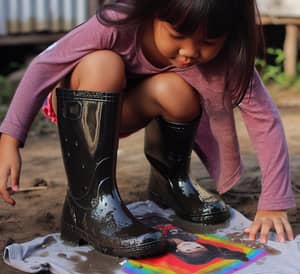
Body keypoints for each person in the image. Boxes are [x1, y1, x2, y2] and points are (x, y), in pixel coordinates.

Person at [0, 0, 295, 258]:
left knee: (177, 89)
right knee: (104, 62)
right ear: (153, 10)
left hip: (130, 109)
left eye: (209, 41)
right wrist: (11, 138)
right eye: (178, 35)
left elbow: (265, 121)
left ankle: (169, 183)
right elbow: (43, 66)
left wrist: (273, 203)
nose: (189, 52)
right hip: (83, 102)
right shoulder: (118, 21)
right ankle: (89, 206)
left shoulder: (227, 57)